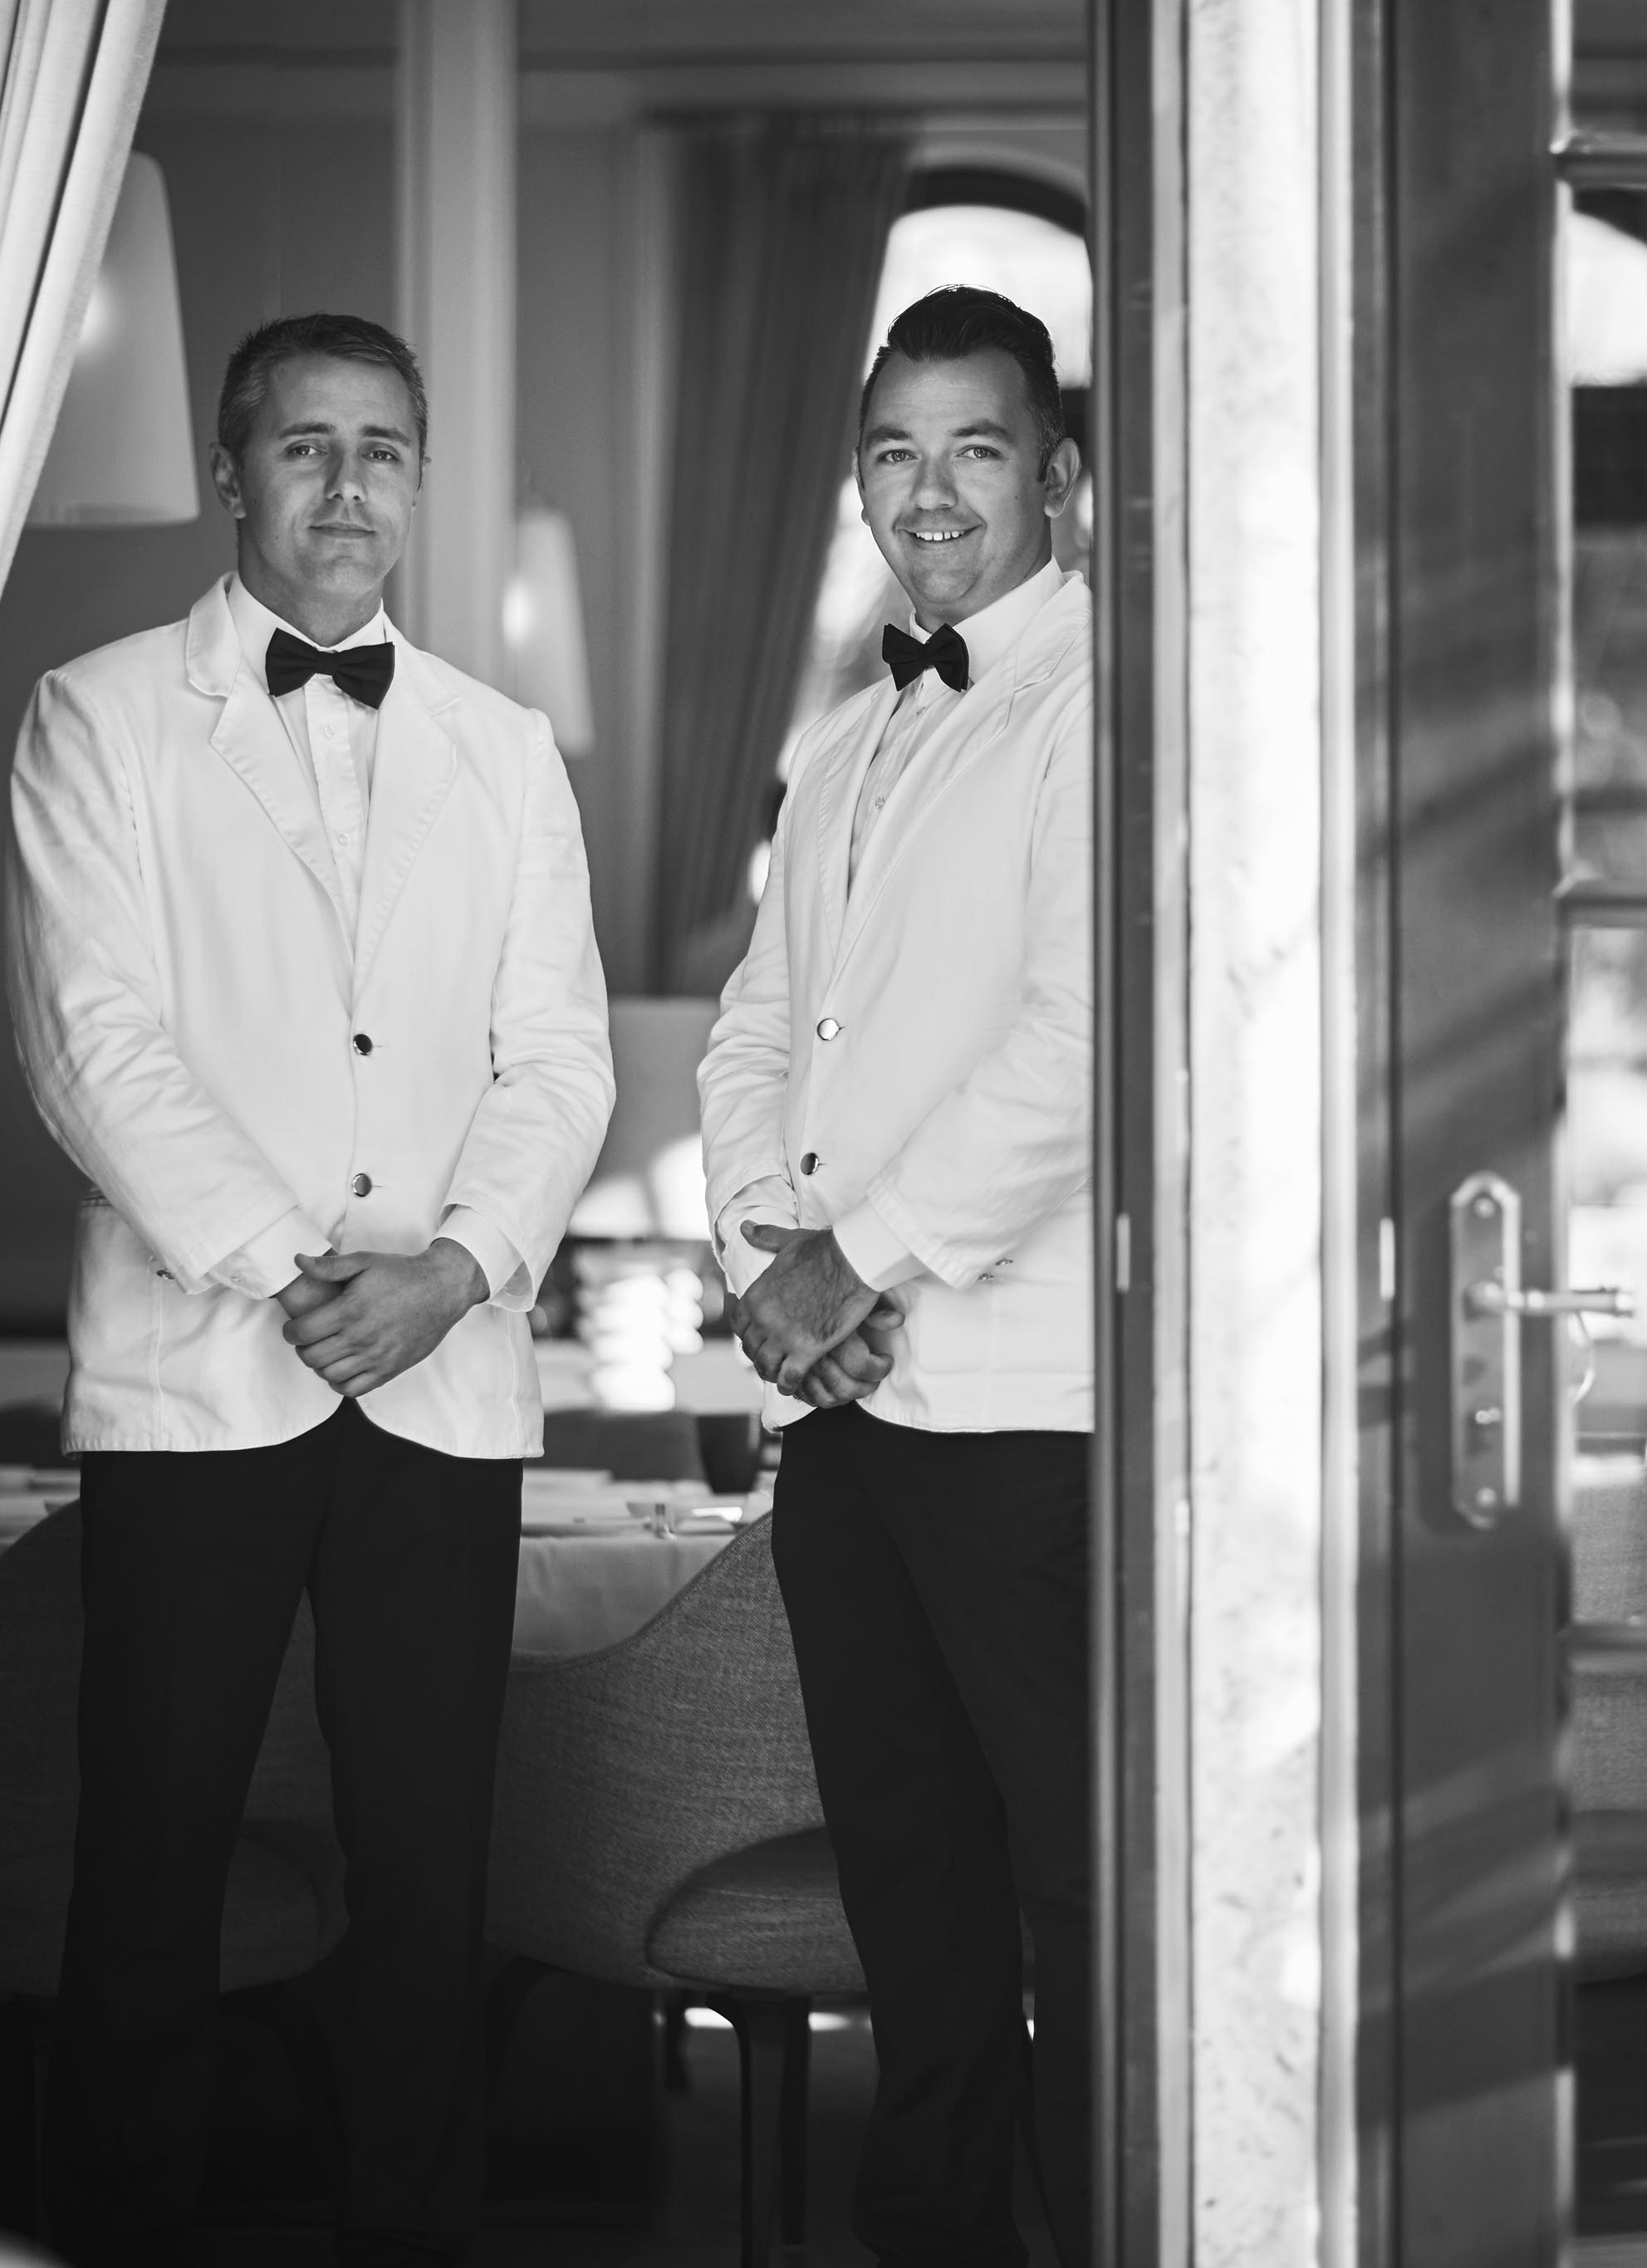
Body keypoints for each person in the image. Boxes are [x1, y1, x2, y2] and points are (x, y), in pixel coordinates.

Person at [7, 311, 614, 2265]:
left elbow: (562, 1060)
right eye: (305, 449)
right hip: (201, 1377)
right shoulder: (95, 713)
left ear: (417, 483)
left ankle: (413, 2235)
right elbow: (91, 1044)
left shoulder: (505, 751)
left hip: (441, 1381)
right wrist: (295, 1275)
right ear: (228, 467)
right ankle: (123, 2229)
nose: (347, 489)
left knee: (427, 1869)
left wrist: (450, 1271)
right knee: (151, 1859)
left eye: (383, 452)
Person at [698, 285, 1095, 2266]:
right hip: (845, 1418)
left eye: (976, 448)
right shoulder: (842, 739)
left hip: (1023, 1413)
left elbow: (1079, 1045)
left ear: (1059, 477)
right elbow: (757, 1037)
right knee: (911, 1894)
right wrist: (773, 1258)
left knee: (1083, 1900)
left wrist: (853, 1263)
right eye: (893, 451)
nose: (928, 492)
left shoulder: (1114, 701)